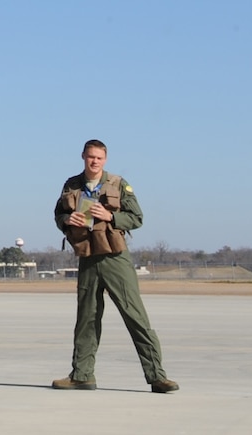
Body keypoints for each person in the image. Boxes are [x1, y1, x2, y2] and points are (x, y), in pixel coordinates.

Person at [52, 139, 178, 393]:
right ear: (83, 157)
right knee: (87, 318)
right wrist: (68, 219)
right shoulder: (71, 185)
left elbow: (137, 217)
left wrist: (111, 217)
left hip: (114, 256)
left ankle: (157, 376)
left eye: (98, 157)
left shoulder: (119, 184)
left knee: (135, 315)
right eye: (90, 157)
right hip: (88, 255)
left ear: (105, 159)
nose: (94, 161)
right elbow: (58, 215)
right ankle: (82, 374)